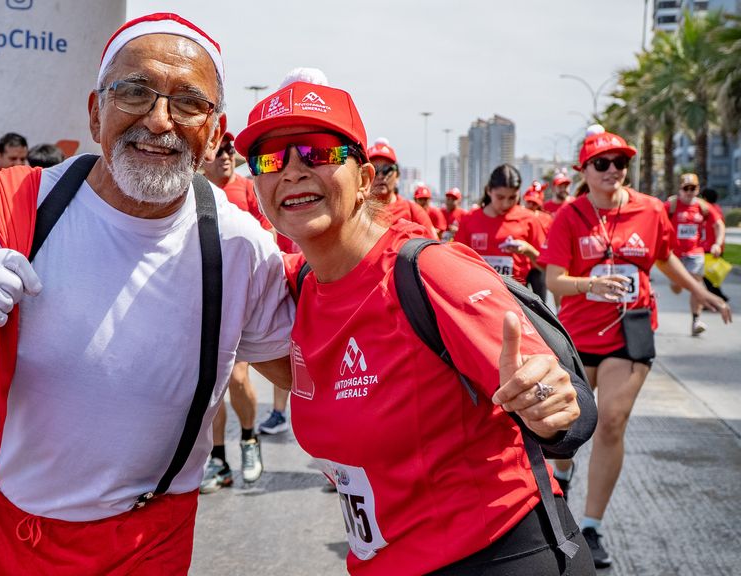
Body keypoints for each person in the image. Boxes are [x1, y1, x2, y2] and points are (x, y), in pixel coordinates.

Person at [0, 13, 293, 574]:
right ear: (96, 112)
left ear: (214, 132)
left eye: (189, 102)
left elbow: (301, 370)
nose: (159, 120)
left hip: (150, 541)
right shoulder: (26, 204)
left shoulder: (239, 245)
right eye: (134, 92)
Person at [236, 79, 596, 575]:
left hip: (498, 555)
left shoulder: (429, 272)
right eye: (271, 160)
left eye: (317, 153)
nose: (293, 171)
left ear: (364, 179)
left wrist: (551, 408)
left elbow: (566, 410)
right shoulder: (294, 287)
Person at [539, 126, 732, 569]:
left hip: (632, 331)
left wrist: (701, 291)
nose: (612, 171)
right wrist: (590, 284)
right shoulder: (571, 216)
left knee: (610, 422)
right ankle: (562, 478)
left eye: (620, 163)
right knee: (568, 430)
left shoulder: (649, 210)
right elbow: (553, 279)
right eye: (601, 164)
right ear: (584, 170)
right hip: (579, 335)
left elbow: (664, 257)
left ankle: (591, 526)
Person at [199, 130, 269, 491]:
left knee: (238, 378)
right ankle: (219, 461)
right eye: (220, 149)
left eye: (231, 149)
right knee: (212, 385)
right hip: (203, 300)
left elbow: (268, 240)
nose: (227, 154)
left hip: (241, 299)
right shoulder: (192, 190)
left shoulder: (248, 190)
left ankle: (249, 439)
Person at [454, 164, 546, 286]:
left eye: (512, 197)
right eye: (500, 197)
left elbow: (546, 267)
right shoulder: (469, 219)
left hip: (514, 297)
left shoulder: (529, 219)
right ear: (489, 191)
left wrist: (528, 250)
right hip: (477, 293)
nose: (506, 204)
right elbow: (456, 261)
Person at [664, 173, 725, 335]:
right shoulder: (671, 205)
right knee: (677, 287)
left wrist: (717, 244)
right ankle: (676, 283)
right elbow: (656, 220)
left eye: (693, 188)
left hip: (695, 253)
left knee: (697, 285)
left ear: (698, 189)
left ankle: (696, 320)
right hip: (674, 255)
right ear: (680, 189)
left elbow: (718, 224)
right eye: (686, 188)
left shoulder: (703, 206)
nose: (689, 191)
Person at [365, 138, 438, 237]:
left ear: (398, 176)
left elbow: (433, 248)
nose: (381, 175)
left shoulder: (413, 212)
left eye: (387, 169)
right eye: (375, 169)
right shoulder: (356, 212)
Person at [523, 181, 554, 302]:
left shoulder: (546, 218)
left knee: (541, 301)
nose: (531, 205)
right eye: (529, 201)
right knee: (520, 300)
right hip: (523, 265)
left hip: (539, 264)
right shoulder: (519, 217)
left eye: (534, 203)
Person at [699, 187, 730, 302]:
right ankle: (717, 295)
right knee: (711, 274)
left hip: (709, 247)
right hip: (715, 246)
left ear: (705, 198)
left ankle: (715, 297)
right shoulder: (717, 209)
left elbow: (716, 227)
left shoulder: (709, 210)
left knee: (707, 275)